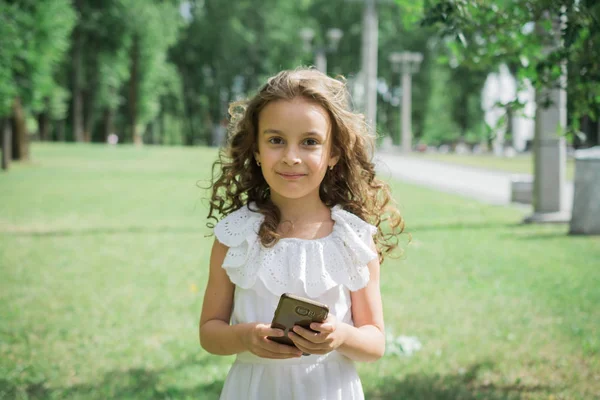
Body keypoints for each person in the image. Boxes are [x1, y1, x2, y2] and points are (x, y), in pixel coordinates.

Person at [199, 68, 404, 400]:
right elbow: (209, 333)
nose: (291, 157)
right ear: (256, 149)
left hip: (330, 389)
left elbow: (375, 342)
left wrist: (340, 337)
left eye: (310, 142)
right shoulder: (234, 235)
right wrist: (245, 337)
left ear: (333, 153)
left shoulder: (353, 239)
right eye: (276, 140)